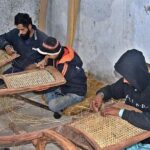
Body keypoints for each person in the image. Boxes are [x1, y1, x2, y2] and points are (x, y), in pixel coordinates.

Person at [90, 49, 150, 150]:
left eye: (128, 77)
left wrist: (120, 112)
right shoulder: (128, 82)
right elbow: (111, 89)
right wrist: (100, 95)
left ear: (137, 75)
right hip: (128, 129)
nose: (124, 80)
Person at [35, 36, 87, 119]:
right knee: (46, 92)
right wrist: (44, 60)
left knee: (52, 105)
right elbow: (50, 58)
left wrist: (38, 86)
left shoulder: (64, 66)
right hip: (64, 85)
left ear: (54, 53)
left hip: (75, 92)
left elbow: (53, 82)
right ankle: (61, 103)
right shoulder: (62, 50)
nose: (46, 56)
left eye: (48, 54)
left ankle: (61, 105)